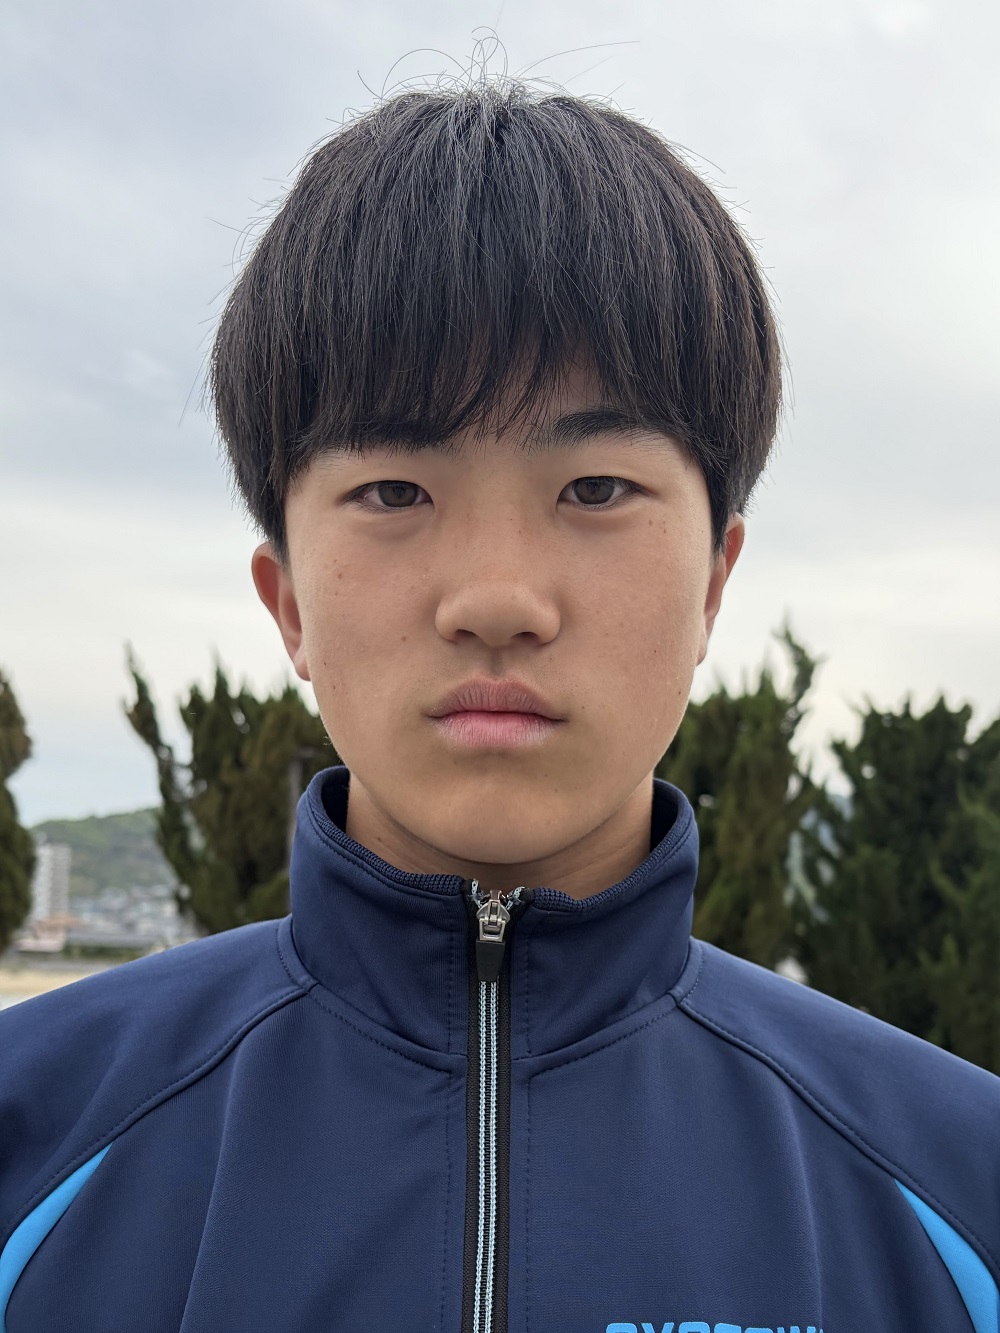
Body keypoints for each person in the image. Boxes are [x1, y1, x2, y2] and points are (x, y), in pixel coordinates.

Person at [1, 80, 997, 1333]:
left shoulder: (960, 1185)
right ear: (287, 599)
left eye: (594, 487)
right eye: (393, 492)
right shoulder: (32, 1134)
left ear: (713, 583)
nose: (496, 599)